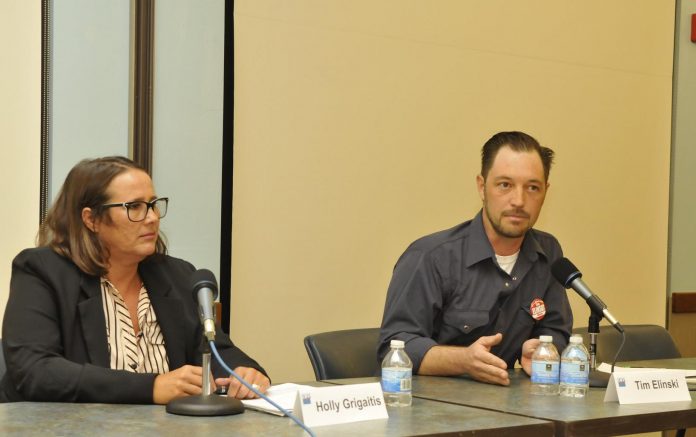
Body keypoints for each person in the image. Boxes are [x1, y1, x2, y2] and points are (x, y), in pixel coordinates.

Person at [0, 156, 269, 403]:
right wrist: (151, 387)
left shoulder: (177, 276)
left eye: (153, 205)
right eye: (135, 207)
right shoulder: (42, 271)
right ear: (91, 219)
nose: (152, 218)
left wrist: (246, 373)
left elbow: (217, 349)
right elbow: (35, 371)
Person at [378, 131, 572, 386]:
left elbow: (556, 330)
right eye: (505, 185)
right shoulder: (430, 257)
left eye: (532, 188)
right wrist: (463, 360)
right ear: (482, 187)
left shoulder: (548, 253)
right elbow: (395, 348)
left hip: (513, 409)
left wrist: (542, 350)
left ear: (545, 192)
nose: (519, 200)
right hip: (433, 414)